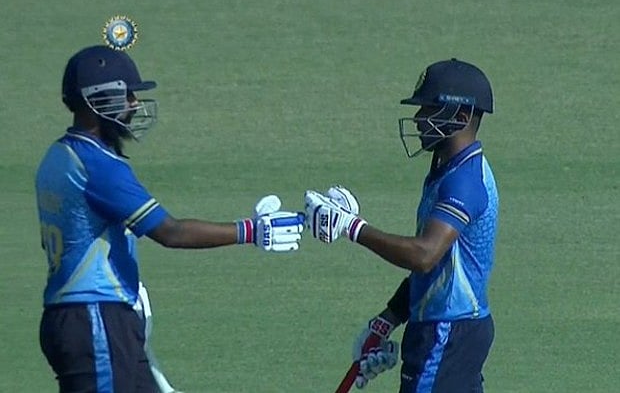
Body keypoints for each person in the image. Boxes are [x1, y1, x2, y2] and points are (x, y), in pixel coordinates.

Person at [35, 45, 304, 393]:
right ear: (98, 99)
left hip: (80, 316)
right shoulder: (99, 166)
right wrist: (252, 230)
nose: (134, 104)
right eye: (127, 95)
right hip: (96, 319)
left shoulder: (57, 156)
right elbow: (170, 232)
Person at [305, 58, 499, 392]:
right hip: (451, 329)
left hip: (445, 334)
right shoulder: (447, 170)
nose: (419, 119)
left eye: (429, 109)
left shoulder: (464, 182)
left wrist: (351, 227)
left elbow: (424, 255)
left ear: (461, 117)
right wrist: (388, 319)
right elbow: (438, 269)